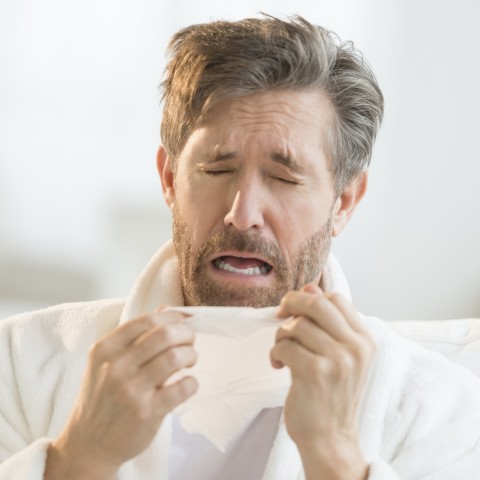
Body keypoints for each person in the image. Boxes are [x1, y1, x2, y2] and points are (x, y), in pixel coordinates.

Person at [1, 14, 480, 480]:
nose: (243, 212)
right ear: (170, 179)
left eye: (284, 177)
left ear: (344, 202)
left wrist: (335, 456)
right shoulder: (21, 365)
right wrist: (81, 459)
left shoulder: (436, 409)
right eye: (216, 170)